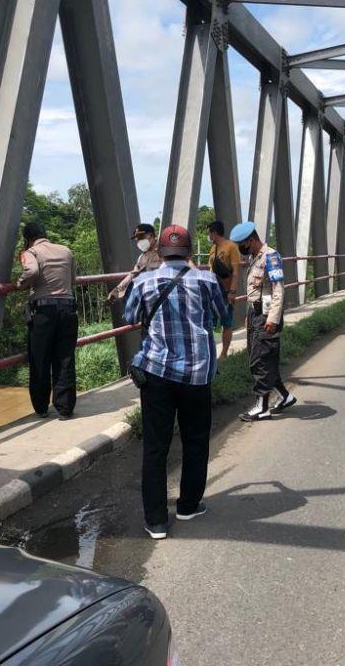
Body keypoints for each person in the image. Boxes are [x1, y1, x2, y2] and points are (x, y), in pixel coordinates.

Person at [123, 224, 227, 540]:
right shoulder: (208, 280)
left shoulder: (143, 281)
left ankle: (156, 521)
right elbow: (222, 315)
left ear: (161, 252)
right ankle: (188, 505)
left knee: (156, 446)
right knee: (196, 440)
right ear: (190, 251)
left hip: (157, 374)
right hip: (197, 374)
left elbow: (130, 317)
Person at [229, 222, 296, 422]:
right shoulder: (254, 258)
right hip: (256, 314)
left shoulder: (270, 256)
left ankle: (262, 407)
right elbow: (255, 291)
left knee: (261, 361)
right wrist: (250, 312)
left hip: (267, 317)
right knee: (261, 358)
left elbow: (278, 289)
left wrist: (273, 318)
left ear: (251, 240)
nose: (241, 248)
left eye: (242, 243)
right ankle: (285, 396)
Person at [16, 222, 78, 419]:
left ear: (27, 239)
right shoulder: (66, 250)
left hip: (44, 311)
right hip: (68, 309)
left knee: (40, 359)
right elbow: (73, 279)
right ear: (44, 234)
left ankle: (42, 407)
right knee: (65, 358)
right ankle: (65, 407)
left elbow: (31, 272)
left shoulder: (30, 252)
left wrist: (19, 284)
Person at [207, 220, 242, 359]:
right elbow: (210, 269)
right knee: (209, 322)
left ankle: (224, 353)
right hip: (213, 291)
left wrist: (232, 291)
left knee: (226, 322)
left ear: (214, 233)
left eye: (209, 233)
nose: (208, 237)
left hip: (227, 291)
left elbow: (235, 271)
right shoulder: (212, 250)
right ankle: (211, 352)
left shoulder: (231, 247)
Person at [108, 223, 162, 302]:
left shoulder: (165, 251)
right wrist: (116, 292)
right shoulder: (142, 258)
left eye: (141, 237)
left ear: (151, 235)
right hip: (149, 298)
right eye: (137, 239)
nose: (138, 241)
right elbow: (132, 275)